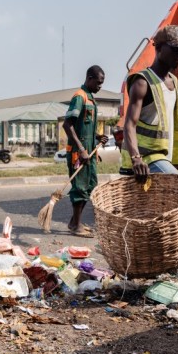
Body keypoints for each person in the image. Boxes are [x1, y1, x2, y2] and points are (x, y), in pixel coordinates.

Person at [121, 25, 178, 179]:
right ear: (159, 48)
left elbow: (175, 126)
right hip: (145, 160)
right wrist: (136, 158)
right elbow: (129, 124)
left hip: (163, 158)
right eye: (175, 49)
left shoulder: (174, 82)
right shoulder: (142, 83)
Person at [62, 65, 107, 237]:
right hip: (78, 153)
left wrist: (97, 137)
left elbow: (84, 127)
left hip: (90, 153)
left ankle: (75, 222)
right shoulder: (79, 97)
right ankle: (77, 226)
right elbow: (68, 125)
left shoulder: (90, 99)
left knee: (90, 185)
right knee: (80, 188)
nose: (100, 87)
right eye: (98, 82)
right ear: (89, 78)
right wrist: (81, 149)